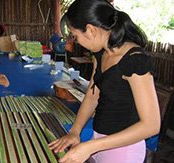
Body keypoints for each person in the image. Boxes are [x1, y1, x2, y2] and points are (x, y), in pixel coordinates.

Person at [49, 0, 160, 163]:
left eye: (76, 36)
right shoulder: (101, 55)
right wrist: (75, 131)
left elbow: (151, 125)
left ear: (91, 30)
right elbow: (92, 96)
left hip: (123, 150)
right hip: (100, 139)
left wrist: (91, 146)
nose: (77, 41)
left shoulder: (134, 60)